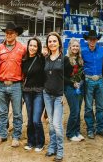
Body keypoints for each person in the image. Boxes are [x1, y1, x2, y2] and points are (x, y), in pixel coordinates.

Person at [0, 22, 26, 147]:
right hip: (1, 85)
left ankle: (16, 136)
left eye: (11, 33)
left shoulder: (22, 49)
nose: (8, 35)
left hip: (16, 85)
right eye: (7, 32)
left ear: (16, 34)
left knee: (17, 112)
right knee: (2, 112)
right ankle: (2, 135)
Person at [43, 32, 64, 162]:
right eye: (50, 41)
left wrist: (65, 94)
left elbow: (68, 78)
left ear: (59, 43)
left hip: (58, 96)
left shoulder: (64, 59)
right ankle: (52, 146)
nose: (52, 43)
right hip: (47, 94)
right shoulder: (45, 59)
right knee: (51, 123)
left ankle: (60, 150)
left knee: (57, 124)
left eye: (54, 41)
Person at [22, 37, 45, 152]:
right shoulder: (24, 59)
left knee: (36, 119)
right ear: (28, 46)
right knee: (30, 119)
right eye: (31, 45)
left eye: (35, 46)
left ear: (38, 48)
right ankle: (31, 142)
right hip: (26, 92)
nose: (32, 48)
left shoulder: (41, 59)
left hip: (38, 92)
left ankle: (40, 142)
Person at [64, 38, 85, 142]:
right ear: (70, 47)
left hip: (80, 87)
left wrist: (80, 82)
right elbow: (62, 76)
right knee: (74, 110)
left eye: (77, 46)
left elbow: (82, 74)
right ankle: (70, 133)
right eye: (74, 46)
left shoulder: (80, 59)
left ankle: (77, 131)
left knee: (78, 110)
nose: (75, 48)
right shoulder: (66, 59)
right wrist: (72, 83)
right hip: (69, 87)